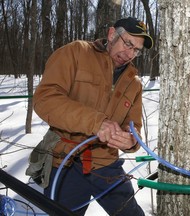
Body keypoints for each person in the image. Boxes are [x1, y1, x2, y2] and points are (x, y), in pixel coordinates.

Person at [26, 17, 153, 216]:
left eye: (136, 50)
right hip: (66, 162)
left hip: (107, 165)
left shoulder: (134, 82)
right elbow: (45, 99)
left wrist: (130, 140)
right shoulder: (76, 53)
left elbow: (133, 127)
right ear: (112, 34)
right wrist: (96, 122)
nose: (129, 54)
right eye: (128, 43)